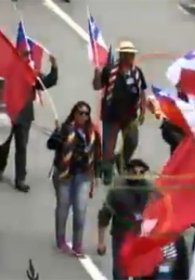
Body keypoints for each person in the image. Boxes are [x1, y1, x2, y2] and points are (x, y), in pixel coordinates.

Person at [47, 101, 102, 257]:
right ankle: (61, 240)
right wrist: (56, 139)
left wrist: (96, 174)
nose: (83, 116)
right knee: (63, 206)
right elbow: (50, 145)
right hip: (65, 174)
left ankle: (78, 244)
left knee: (80, 209)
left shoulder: (92, 132)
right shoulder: (65, 129)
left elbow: (97, 154)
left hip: (83, 175)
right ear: (74, 114)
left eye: (86, 113)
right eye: (81, 113)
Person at [0, 54, 58, 192]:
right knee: (3, 144)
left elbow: (46, 83)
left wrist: (54, 68)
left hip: (24, 115)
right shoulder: (7, 70)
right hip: (8, 113)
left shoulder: (31, 73)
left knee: (22, 148)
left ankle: (20, 179)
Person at [93, 41, 147, 185]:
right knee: (108, 147)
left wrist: (143, 109)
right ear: (122, 55)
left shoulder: (137, 73)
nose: (132, 57)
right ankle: (107, 172)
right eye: (129, 54)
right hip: (111, 115)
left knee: (132, 141)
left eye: (133, 54)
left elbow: (142, 91)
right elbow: (97, 86)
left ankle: (121, 159)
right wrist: (97, 75)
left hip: (130, 115)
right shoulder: (110, 71)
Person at [97, 159, 152, 279]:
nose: (137, 175)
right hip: (121, 237)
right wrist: (101, 242)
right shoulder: (118, 190)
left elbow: (161, 212)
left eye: (141, 172)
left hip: (141, 239)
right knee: (120, 273)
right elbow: (104, 216)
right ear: (128, 171)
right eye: (134, 171)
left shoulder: (150, 189)